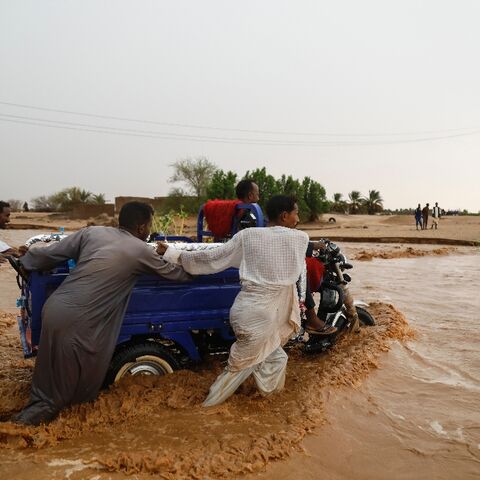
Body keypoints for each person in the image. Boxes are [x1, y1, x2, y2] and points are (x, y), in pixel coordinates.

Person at [15, 201, 190, 426]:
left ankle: (38, 416)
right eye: (149, 226)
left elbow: (51, 254)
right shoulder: (139, 251)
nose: (149, 231)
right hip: (78, 319)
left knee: (48, 375)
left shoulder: (93, 232)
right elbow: (177, 275)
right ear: (140, 227)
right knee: (65, 387)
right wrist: (202, 265)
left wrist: (25, 258)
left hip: (55, 307)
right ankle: (22, 429)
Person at [158, 195, 327, 407]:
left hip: (245, 311)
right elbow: (308, 247)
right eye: (296, 213)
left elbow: (212, 257)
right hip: (261, 319)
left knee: (276, 359)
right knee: (237, 368)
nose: (298, 218)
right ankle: (206, 408)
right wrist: (320, 244)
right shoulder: (299, 238)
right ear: (285, 216)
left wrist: (173, 253)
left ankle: (270, 400)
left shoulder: (247, 236)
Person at [234, 181, 335, 335]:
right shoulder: (251, 214)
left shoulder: (239, 211)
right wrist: (312, 246)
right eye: (257, 193)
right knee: (301, 270)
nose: (259, 197)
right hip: (264, 262)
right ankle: (311, 318)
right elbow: (275, 240)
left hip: (255, 260)